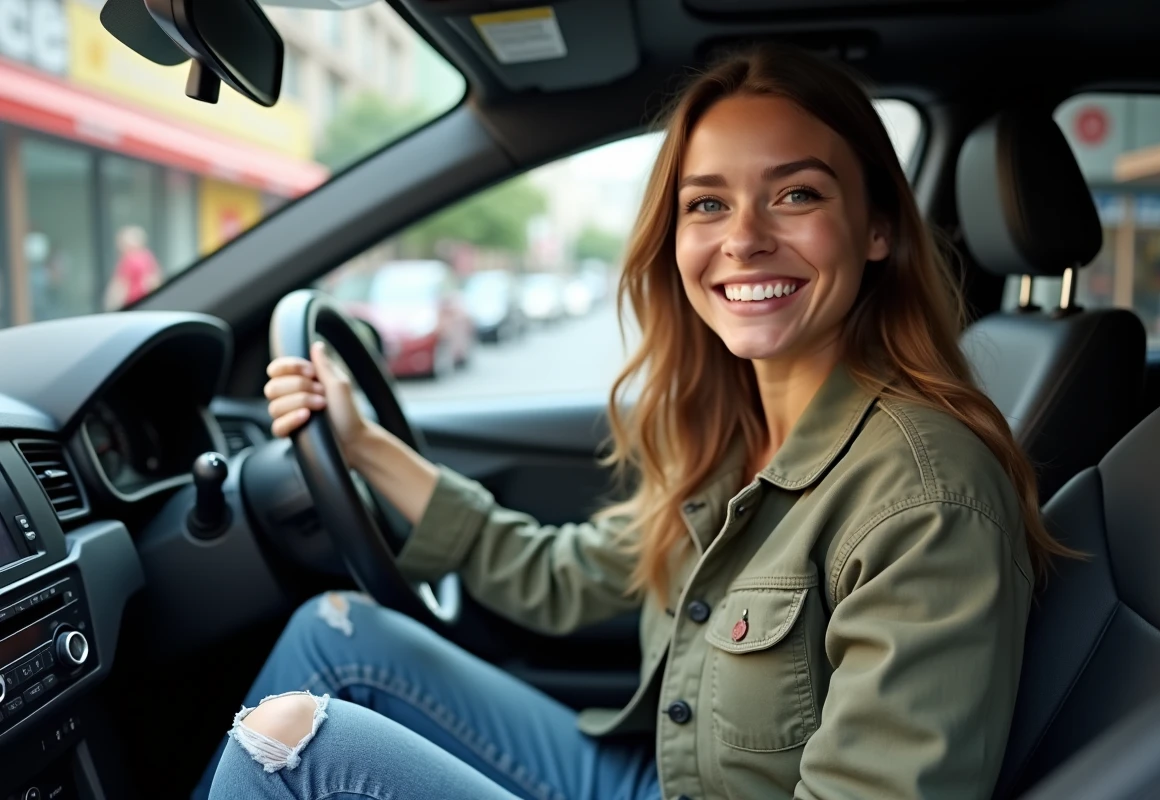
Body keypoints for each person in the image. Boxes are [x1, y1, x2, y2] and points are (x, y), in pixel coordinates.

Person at [199, 43, 1067, 800]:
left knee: (293, 747)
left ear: (876, 227)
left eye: (796, 194)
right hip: (654, 778)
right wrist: (364, 448)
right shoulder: (732, 431)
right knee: (336, 631)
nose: (745, 238)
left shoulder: (925, 494)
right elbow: (565, 577)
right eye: (707, 203)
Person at [104, 225, 162, 311]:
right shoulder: (148, 256)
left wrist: (112, 305)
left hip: (134, 303)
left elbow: (121, 285)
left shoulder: (128, 260)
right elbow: (155, 278)